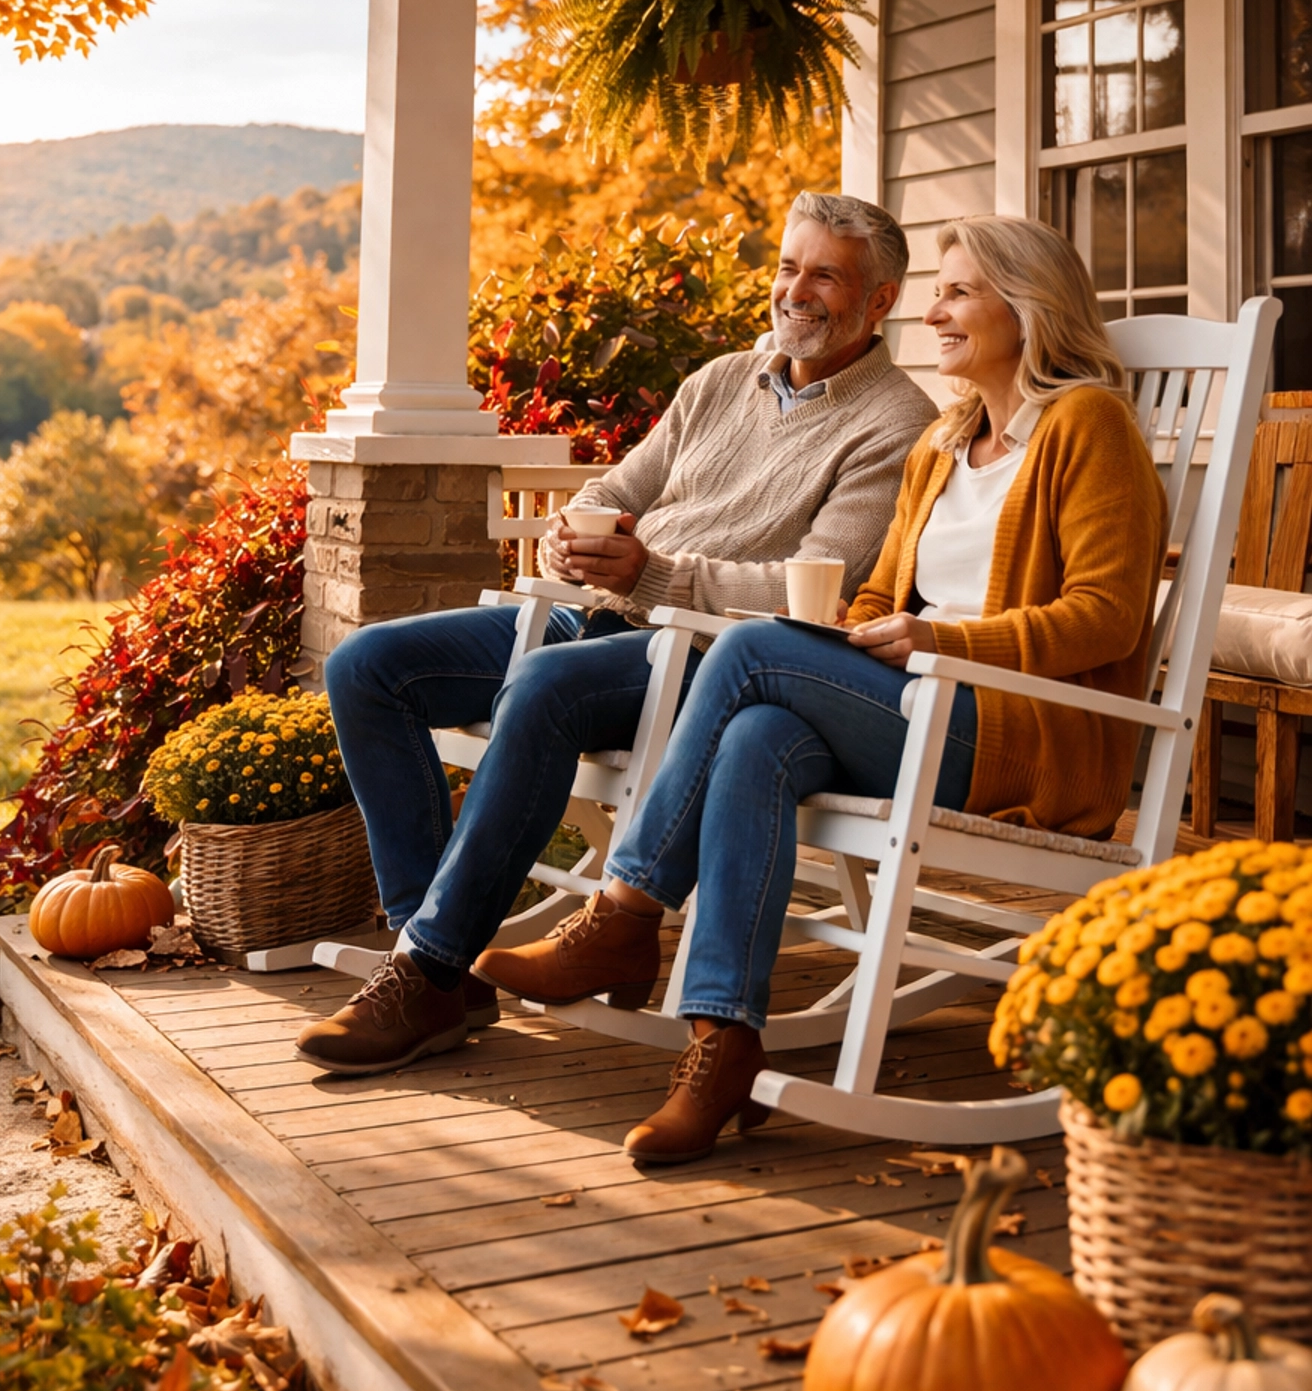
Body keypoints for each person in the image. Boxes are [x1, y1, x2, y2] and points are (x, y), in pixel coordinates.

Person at [478, 216, 1170, 1164]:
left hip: (1021, 731)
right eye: (939, 291)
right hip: (918, 703)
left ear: (1029, 306)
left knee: (749, 655)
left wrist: (940, 637)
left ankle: (626, 914)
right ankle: (722, 1043)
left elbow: (1106, 618)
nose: (934, 310)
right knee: (758, 733)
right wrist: (862, 627)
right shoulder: (943, 442)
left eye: (959, 292)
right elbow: (883, 592)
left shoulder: (1089, 424)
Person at [296, 193, 938, 1074]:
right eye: (789, 266)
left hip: (711, 656)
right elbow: (617, 491)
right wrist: (577, 530)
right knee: (370, 665)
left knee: (547, 687)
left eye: (827, 274)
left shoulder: (897, 425)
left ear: (880, 300)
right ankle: (428, 955)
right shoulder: (720, 380)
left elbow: (814, 593)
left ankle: (428, 966)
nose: (798, 290)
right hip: (600, 610)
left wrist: (657, 576)